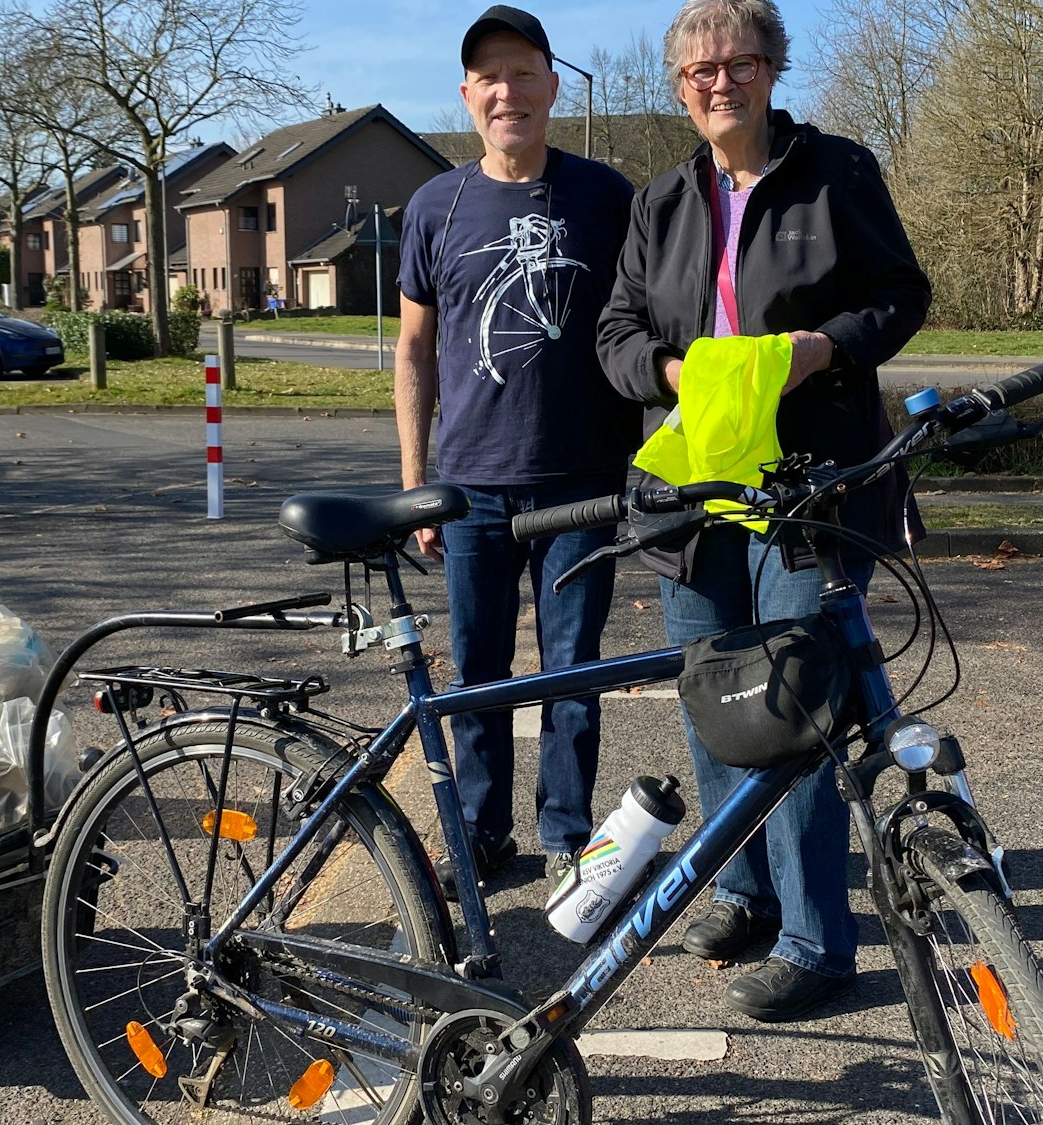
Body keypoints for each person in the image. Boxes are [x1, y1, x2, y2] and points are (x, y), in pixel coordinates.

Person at [596, 0, 932, 1021]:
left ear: (771, 70)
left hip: (809, 484)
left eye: (738, 62)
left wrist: (820, 350)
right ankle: (738, 892)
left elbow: (899, 295)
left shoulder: (838, 173)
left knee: (792, 716)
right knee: (711, 693)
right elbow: (613, 330)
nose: (718, 82)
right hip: (691, 490)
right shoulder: (659, 200)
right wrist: (668, 370)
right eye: (697, 70)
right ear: (678, 87)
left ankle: (817, 945)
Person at [396, 5, 639, 895]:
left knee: (575, 670)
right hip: (471, 490)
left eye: (524, 72)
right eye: (489, 77)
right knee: (479, 670)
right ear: (469, 97)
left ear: (551, 86)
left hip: (583, 482)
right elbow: (414, 352)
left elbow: (643, 319)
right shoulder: (435, 205)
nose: (508, 91)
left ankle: (569, 836)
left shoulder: (607, 196)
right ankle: (482, 831)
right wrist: (417, 484)